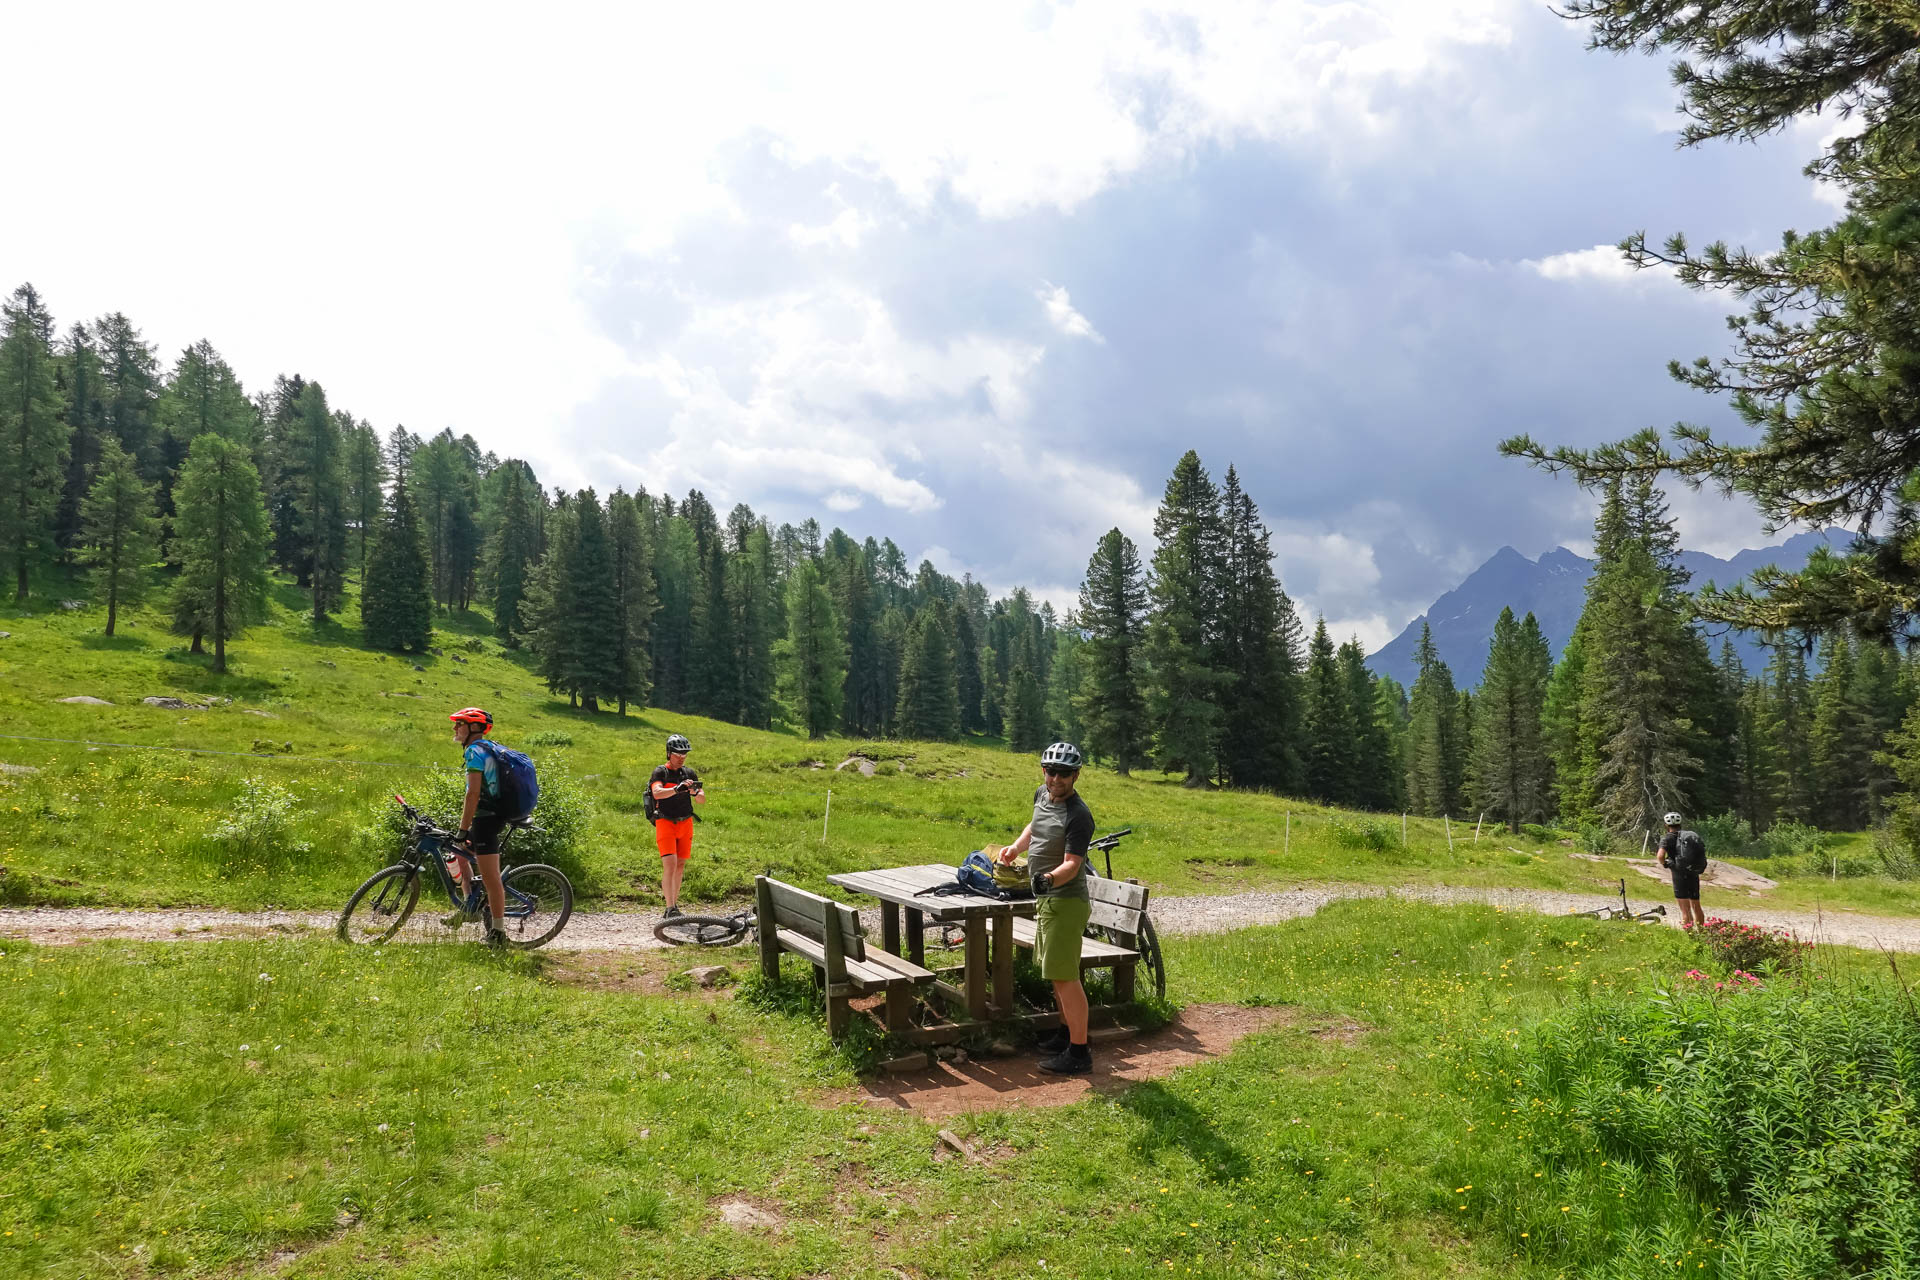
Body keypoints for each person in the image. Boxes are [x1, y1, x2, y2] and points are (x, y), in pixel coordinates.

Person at [997, 741, 1096, 1075]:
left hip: (1066, 902)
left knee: (1066, 977)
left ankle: (1079, 1053)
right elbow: (1035, 826)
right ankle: (1066, 1034)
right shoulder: (1042, 794)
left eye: (1064, 774)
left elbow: (1073, 864)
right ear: (1044, 771)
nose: (1056, 779)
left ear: (1076, 775)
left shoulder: (1079, 815)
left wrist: (1048, 879)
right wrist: (1016, 847)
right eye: (1051, 771)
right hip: (1048, 900)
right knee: (1056, 973)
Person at [445, 707, 510, 948]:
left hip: (487, 820)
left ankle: (498, 934)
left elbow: (472, 794)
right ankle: (469, 907)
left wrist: (463, 829)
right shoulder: (488, 747)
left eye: (459, 724)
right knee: (459, 854)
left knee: (492, 879)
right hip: (488, 816)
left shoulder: (474, 751)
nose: (455, 728)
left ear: (474, 728)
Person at [649, 733, 705, 918]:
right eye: (677, 754)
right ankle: (669, 907)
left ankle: (675, 905)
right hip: (665, 822)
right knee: (670, 864)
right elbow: (657, 793)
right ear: (669, 753)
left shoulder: (689, 774)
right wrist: (676, 789)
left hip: (685, 823)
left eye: (684, 754)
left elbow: (701, 799)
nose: (681, 758)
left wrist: (695, 792)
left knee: (680, 865)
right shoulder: (660, 772)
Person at [1657, 811, 1708, 928]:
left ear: (1666, 825)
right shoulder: (1688, 836)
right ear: (1680, 824)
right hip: (1693, 872)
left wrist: (1665, 864)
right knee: (1696, 906)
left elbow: (1660, 856)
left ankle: (1689, 934)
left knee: (1685, 909)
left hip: (1679, 875)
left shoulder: (1667, 838)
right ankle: (1701, 932)